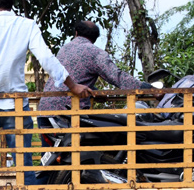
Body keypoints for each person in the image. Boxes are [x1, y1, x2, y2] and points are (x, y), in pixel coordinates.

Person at [0, 0, 92, 187]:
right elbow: (47, 59)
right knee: (24, 166)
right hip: (17, 107)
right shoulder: (27, 25)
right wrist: (73, 86)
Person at [38, 21, 151, 173]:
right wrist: (146, 88)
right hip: (66, 113)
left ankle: (44, 189)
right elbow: (117, 77)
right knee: (78, 155)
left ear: (76, 33)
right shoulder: (95, 53)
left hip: (45, 109)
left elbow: (73, 76)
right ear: (95, 38)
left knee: (50, 158)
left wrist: (93, 90)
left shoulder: (64, 49)